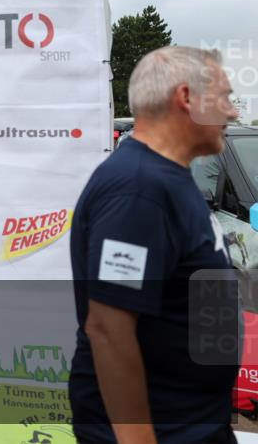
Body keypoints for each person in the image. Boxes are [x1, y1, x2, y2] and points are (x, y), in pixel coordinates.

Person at [69, 46, 241, 444]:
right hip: (164, 430)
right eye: (224, 97)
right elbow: (109, 327)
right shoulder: (138, 187)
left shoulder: (166, 178)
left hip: (194, 423)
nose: (232, 112)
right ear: (185, 98)